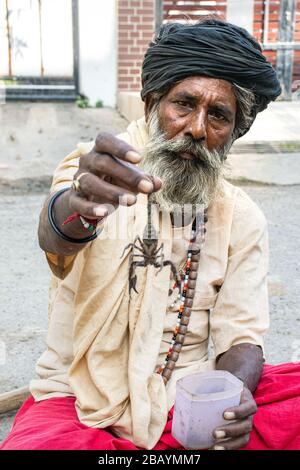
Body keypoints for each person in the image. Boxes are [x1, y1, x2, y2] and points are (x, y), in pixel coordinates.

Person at [1, 18, 300, 451]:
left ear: (234, 133)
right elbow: (57, 233)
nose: (197, 128)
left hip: (189, 397)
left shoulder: (241, 215)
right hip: (82, 400)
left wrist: (232, 400)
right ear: (150, 103)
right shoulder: (98, 170)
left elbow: (242, 338)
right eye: (184, 104)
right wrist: (78, 212)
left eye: (218, 116)